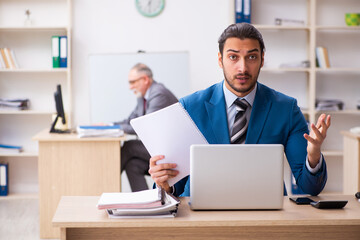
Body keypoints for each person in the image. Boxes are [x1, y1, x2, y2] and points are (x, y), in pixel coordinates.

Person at [148, 23, 331, 197]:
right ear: (220, 60)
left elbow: (310, 188)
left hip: (266, 214)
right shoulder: (189, 107)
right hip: (202, 215)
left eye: (251, 57)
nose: (242, 68)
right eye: (233, 57)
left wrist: (314, 154)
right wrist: (164, 183)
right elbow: (175, 187)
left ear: (262, 60)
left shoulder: (286, 109)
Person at [114, 63, 178, 192]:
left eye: (132, 82)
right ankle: (145, 203)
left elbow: (145, 127)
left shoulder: (159, 94)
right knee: (133, 165)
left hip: (171, 150)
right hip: (158, 148)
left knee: (129, 147)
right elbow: (131, 121)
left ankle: (105, 184)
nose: (130, 87)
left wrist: (117, 129)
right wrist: (109, 126)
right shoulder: (142, 97)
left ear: (145, 79)